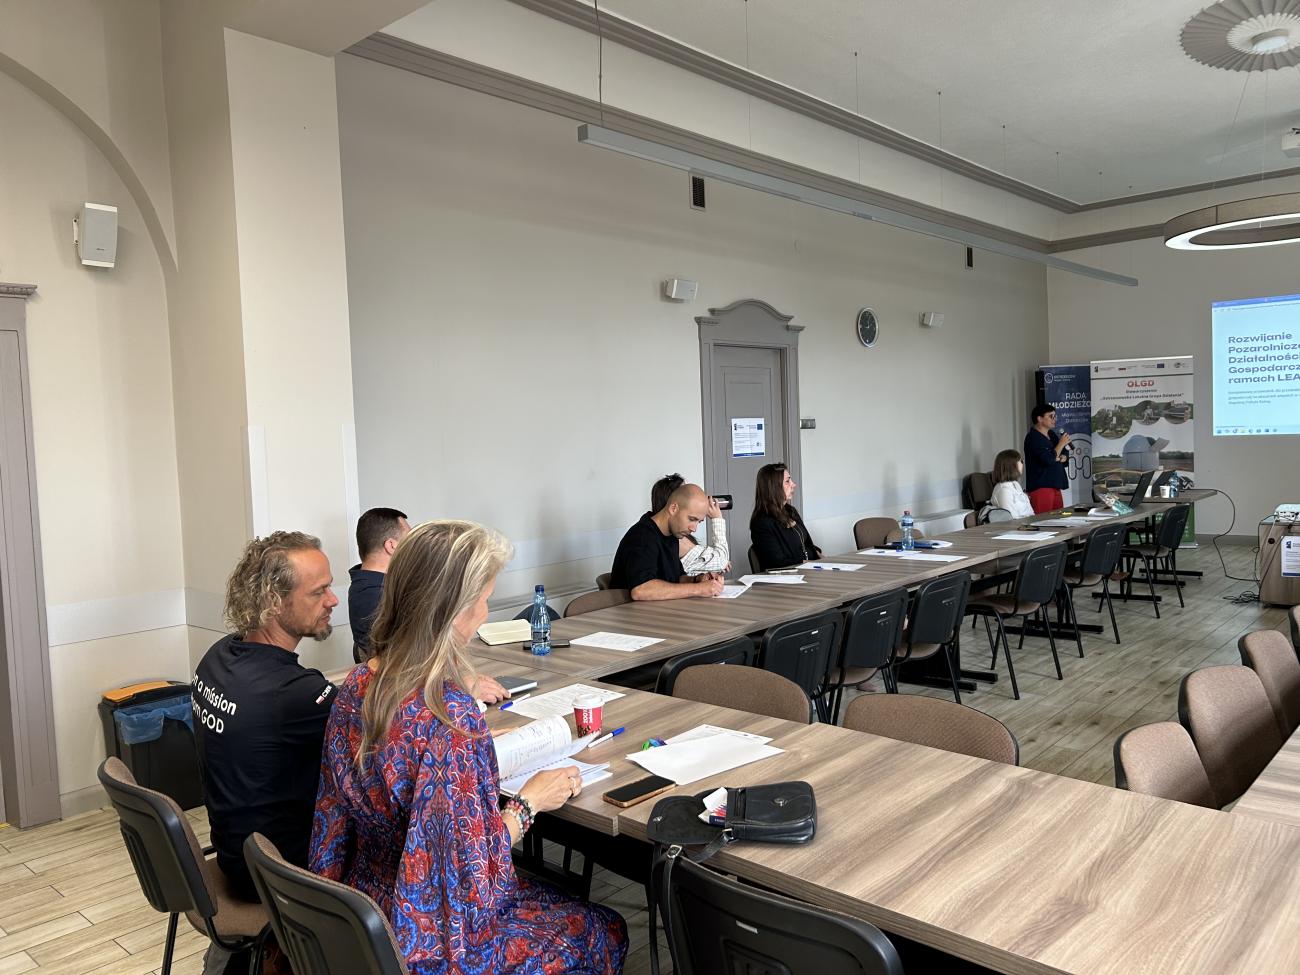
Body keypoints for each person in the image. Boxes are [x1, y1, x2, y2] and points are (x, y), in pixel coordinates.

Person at [310, 521, 628, 974]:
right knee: (603, 928)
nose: (485, 612)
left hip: (361, 910)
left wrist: (470, 754)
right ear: (453, 610)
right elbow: (467, 875)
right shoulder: (449, 715)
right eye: (484, 599)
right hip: (431, 937)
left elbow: (337, 815)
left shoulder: (358, 683)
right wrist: (529, 803)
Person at [192, 532, 340, 904]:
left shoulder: (218, 657)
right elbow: (385, 731)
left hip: (236, 853)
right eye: (318, 592)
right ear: (273, 602)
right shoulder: (294, 694)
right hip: (281, 876)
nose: (333, 600)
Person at [608, 483, 726, 600]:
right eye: (691, 519)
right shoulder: (642, 536)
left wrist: (698, 579)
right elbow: (641, 590)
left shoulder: (672, 534)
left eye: (698, 522)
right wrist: (699, 589)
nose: (694, 528)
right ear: (673, 508)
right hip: (628, 610)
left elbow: (676, 579)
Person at [348, 507, 411, 662]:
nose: (413, 546)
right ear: (391, 545)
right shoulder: (373, 596)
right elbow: (403, 657)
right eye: (409, 539)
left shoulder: (375, 585)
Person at [650, 472, 730, 575]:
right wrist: (717, 519)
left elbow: (717, 562)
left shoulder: (676, 535)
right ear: (673, 505)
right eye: (685, 494)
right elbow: (721, 561)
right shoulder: (677, 541)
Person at [750, 462, 821, 570]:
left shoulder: (790, 511)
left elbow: (804, 543)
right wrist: (808, 564)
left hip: (809, 569)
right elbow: (777, 563)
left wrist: (819, 556)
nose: (793, 484)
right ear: (773, 487)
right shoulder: (761, 523)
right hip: (790, 576)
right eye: (787, 481)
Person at [1024, 403, 1071, 513]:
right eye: (1051, 416)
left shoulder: (1052, 434)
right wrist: (1061, 444)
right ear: (1040, 419)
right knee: (1043, 519)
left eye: (1055, 416)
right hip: (1041, 486)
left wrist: (1063, 456)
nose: (1055, 419)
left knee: (1059, 519)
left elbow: (1062, 452)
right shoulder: (1033, 437)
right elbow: (1048, 459)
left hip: (1055, 484)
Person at [987, 449, 1036, 519]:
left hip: (1028, 522)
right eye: (1021, 461)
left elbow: (1030, 511)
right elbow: (1012, 519)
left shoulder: (1015, 484)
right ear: (1011, 465)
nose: (1023, 464)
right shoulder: (1003, 490)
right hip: (1017, 525)